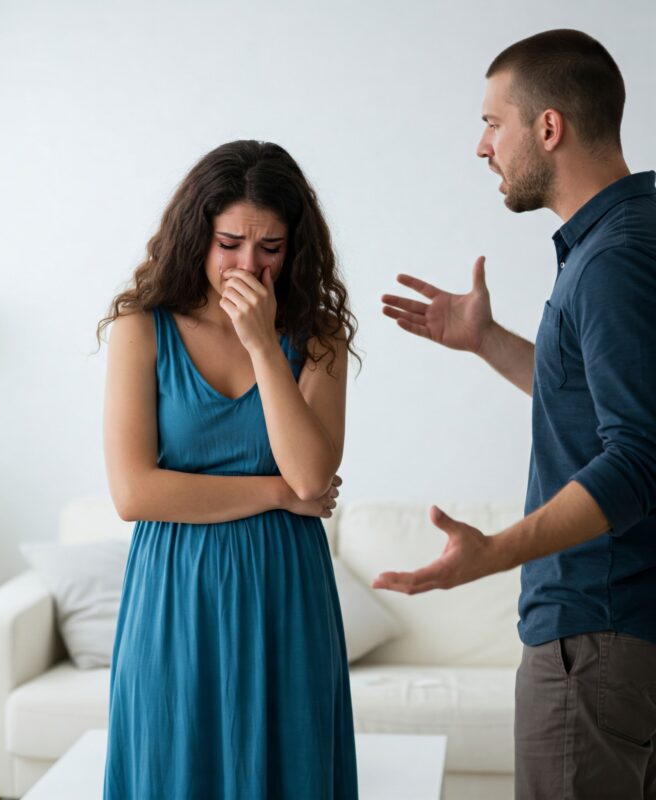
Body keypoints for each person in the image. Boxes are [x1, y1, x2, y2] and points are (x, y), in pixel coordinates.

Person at [374, 29, 656, 799]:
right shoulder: (629, 239)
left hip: (591, 640)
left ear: (549, 127)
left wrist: (493, 553)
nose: (481, 146)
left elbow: (638, 458)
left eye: (492, 123)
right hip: (616, 635)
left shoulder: (613, 260)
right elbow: (606, 408)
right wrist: (487, 341)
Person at [97, 140, 359, 799]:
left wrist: (264, 345)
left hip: (286, 593)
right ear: (198, 236)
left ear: (294, 248)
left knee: (288, 770)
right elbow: (134, 493)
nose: (249, 265)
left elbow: (311, 476)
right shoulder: (141, 329)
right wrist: (275, 492)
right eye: (231, 243)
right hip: (174, 593)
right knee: (173, 769)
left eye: (269, 248)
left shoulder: (319, 338)